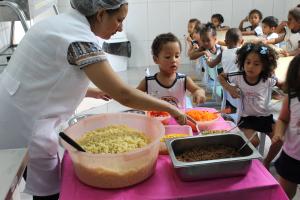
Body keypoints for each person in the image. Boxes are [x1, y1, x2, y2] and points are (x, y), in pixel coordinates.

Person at [0, 1, 186, 199]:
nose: (121, 27)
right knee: (48, 194)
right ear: (100, 14)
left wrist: (91, 92)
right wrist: (171, 108)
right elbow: (124, 94)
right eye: (119, 20)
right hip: (26, 124)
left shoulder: (60, 24)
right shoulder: (79, 39)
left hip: (17, 109)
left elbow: (47, 79)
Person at [218, 42, 280, 148]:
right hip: (246, 118)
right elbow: (221, 77)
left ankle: (267, 161)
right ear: (243, 62)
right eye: (248, 62)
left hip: (265, 117)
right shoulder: (238, 77)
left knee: (279, 139)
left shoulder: (267, 79)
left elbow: (282, 84)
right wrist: (230, 88)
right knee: (254, 142)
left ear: (264, 66)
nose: (250, 66)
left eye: (256, 64)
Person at [263, 55, 300, 199]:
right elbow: (283, 119)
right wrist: (278, 132)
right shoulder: (292, 98)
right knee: (284, 194)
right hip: (292, 156)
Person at [137, 33, 206, 109]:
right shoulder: (148, 82)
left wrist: (199, 93)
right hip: (156, 120)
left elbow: (198, 89)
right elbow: (132, 96)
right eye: (167, 57)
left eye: (177, 56)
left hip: (179, 120)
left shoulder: (183, 80)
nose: (174, 60)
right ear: (156, 59)